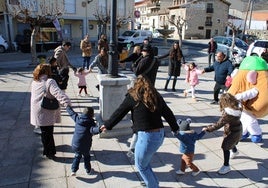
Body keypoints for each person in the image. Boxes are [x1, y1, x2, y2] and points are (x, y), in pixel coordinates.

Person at [100, 75, 179, 188]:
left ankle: (153, 186)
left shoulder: (133, 96)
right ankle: (152, 183)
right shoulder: (155, 96)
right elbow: (168, 113)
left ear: (135, 85)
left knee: (141, 165)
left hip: (147, 137)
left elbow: (119, 112)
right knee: (144, 163)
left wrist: (107, 125)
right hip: (160, 135)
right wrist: (175, 128)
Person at [30, 63, 71, 159]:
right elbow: (58, 93)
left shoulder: (35, 81)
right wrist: (67, 103)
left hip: (37, 109)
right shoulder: (49, 82)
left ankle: (49, 149)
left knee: (44, 131)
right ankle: (49, 152)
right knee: (47, 132)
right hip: (46, 110)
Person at [202, 93, 242, 175]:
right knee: (231, 142)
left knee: (225, 147)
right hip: (238, 128)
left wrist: (208, 128)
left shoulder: (228, 114)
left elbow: (218, 125)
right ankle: (234, 151)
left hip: (232, 132)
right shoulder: (238, 106)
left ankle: (226, 166)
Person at [66, 106, 101, 176]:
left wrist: (67, 107)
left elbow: (72, 113)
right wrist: (100, 129)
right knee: (87, 157)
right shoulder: (91, 123)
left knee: (77, 156)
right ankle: (88, 170)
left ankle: (73, 170)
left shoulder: (78, 118)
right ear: (92, 115)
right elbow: (93, 130)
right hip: (85, 146)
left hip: (76, 144)